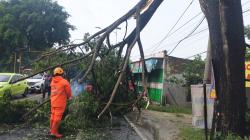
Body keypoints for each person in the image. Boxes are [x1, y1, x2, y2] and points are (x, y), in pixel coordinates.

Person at [50, 67, 72, 138]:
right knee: (57, 119)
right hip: (60, 103)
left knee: (52, 117)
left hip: (53, 102)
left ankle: (51, 130)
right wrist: (70, 97)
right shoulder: (64, 82)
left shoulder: (52, 81)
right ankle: (54, 133)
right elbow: (68, 93)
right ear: (62, 74)